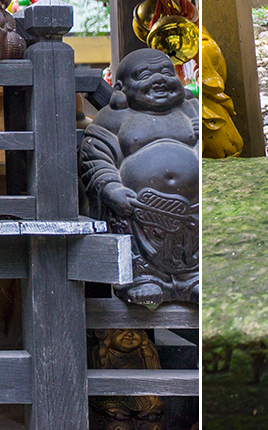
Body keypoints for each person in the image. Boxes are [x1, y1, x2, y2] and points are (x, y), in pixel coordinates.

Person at [81, 48, 199, 306]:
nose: (159, 80)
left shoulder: (190, 110)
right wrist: (111, 187)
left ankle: (192, 279)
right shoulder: (114, 118)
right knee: (136, 243)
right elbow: (95, 155)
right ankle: (144, 279)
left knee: (192, 243)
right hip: (138, 207)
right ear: (121, 88)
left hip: (191, 207)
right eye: (144, 75)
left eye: (167, 72)